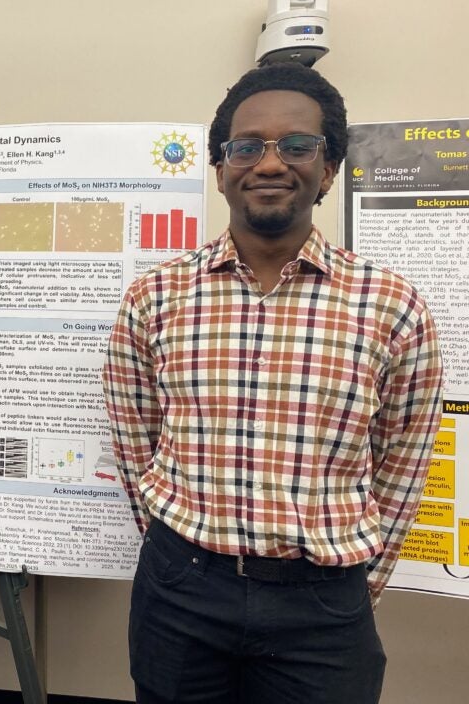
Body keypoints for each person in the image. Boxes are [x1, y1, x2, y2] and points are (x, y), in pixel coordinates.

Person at [102, 63, 443, 704]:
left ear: (330, 168)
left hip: (323, 605)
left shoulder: (391, 306)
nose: (269, 163)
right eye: (246, 146)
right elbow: (134, 440)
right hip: (181, 592)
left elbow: (403, 461)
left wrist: (359, 581)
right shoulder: (156, 298)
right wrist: (177, 556)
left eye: (296, 145)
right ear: (221, 167)